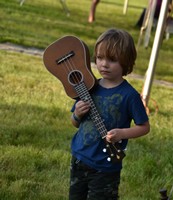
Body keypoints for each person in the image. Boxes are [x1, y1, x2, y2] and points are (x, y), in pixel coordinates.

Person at [69, 28, 150, 199]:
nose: (104, 64)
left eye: (112, 60)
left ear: (126, 62)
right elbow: (75, 123)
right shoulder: (89, 86)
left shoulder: (130, 95)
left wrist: (122, 133)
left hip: (105, 167)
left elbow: (144, 127)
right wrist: (76, 114)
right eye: (99, 58)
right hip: (79, 158)